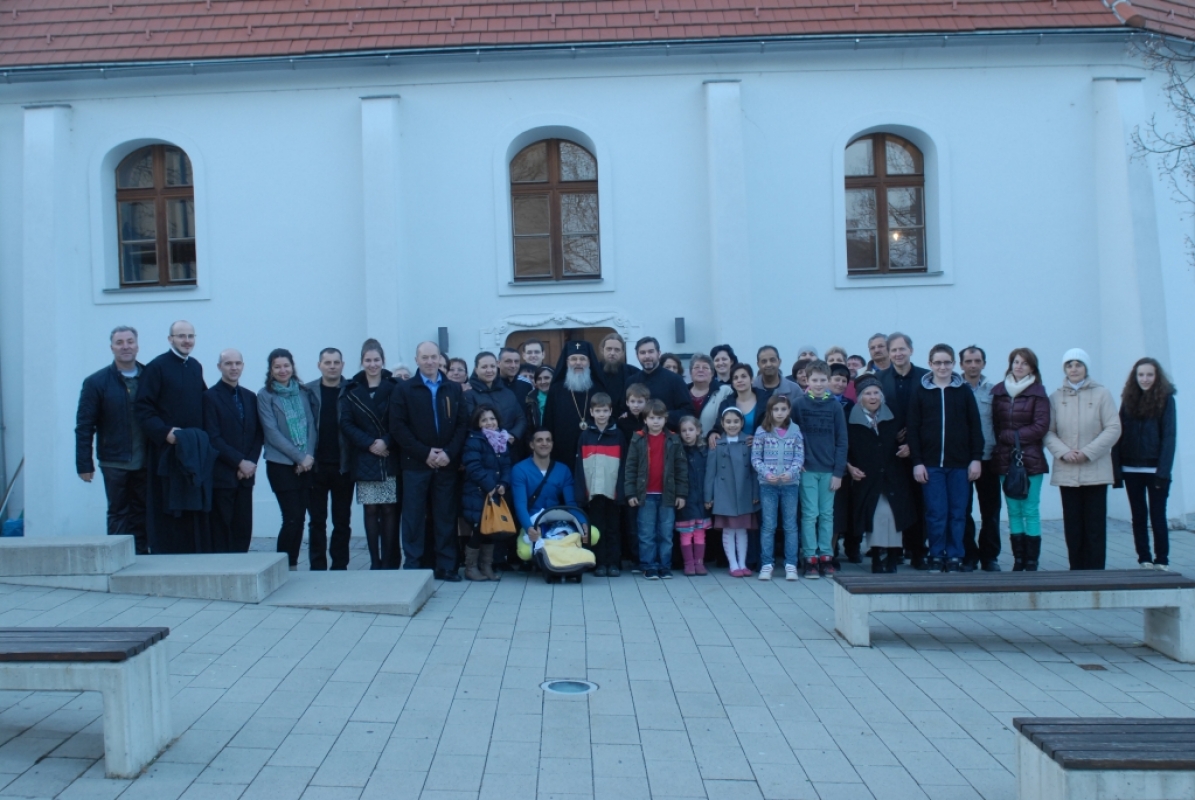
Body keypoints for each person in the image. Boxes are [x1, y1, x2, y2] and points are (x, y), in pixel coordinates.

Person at [391, 341, 468, 581]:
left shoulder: (453, 388)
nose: (430, 361)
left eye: (433, 357)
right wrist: (425, 453)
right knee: (413, 517)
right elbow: (398, 427)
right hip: (415, 465)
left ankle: (446, 566)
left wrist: (448, 453)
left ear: (440, 359)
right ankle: (413, 565)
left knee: (445, 516)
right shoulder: (404, 389)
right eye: (424, 357)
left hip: (446, 464)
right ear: (417, 360)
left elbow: (462, 424)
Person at [134, 320, 209, 554]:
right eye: (181, 336)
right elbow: (143, 408)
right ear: (170, 339)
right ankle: (166, 555)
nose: (187, 341)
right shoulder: (156, 367)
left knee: (191, 505)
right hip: (166, 452)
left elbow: (204, 402)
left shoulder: (195, 366)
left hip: (192, 450)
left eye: (190, 336)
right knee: (167, 506)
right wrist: (165, 433)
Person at [907, 344, 984, 572]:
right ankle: (936, 553)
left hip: (960, 465)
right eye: (938, 363)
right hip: (931, 465)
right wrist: (917, 462)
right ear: (930, 364)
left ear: (953, 364)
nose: (943, 367)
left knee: (958, 513)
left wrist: (976, 458)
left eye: (947, 362)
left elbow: (975, 427)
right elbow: (913, 429)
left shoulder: (964, 392)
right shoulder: (920, 392)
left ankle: (955, 555)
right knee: (936, 512)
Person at [1044, 349, 1121, 570]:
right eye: (1069, 365)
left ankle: (1096, 573)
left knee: (1095, 526)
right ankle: (1076, 571)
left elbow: (1113, 428)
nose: (1074, 369)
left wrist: (1088, 452)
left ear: (1086, 367)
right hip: (1067, 471)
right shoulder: (1055, 397)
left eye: (1078, 364)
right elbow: (1048, 431)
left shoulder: (1102, 394)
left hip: (1095, 470)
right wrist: (1063, 452)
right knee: (1073, 526)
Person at [76, 326, 149, 554]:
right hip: (114, 461)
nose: (125, 346)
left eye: (130, 341)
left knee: (143, 511)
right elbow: (84, 426)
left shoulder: (150, 377)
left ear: (137, 345)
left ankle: (143, 557)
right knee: (118, 512)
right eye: (120, 342)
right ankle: (118, 558)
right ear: (112, 348)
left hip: (146, 459)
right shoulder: (96, 382)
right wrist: (84, 463)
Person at [340, 340, 401, 570]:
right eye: (368, 360)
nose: (372, 364)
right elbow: (346, 423)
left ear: (383, 361)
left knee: (389, 509)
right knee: (371, 509)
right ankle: (375, 561)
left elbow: (400, 420)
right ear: (362, 362)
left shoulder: (394, 387)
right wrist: (370, 443)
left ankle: (388, 561)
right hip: (365, 455)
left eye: (376, 360)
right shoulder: (351, 389)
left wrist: (386, 440)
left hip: (389, 454)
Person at [991, 348, 1051, 571]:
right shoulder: (999, 392)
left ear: (1032, 368)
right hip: (1005, 460)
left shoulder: (1038, 393)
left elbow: (1040, 426)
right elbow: (994, 424)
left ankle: (1032, 561)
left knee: (1031, 510)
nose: (1019, 366)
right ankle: (1018, 560)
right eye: (1016, 362)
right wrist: (1005, 438)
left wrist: (1012, 436)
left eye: (1024, 363)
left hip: (1031, 460)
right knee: (1013, 510)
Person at [257, 349, 318, 570]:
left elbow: (311, 425)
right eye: (277, 366)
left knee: (301, 518)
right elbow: (272, 433)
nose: (282, 370)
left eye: (286, 365)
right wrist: (300, 457)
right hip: (280, 465)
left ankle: (292, 565)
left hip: (306, 464)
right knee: (291, 518)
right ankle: (281, 566)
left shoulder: (303, 392)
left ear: (292, 367)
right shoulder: (265, 395)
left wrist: (307, 457)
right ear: (271, 370)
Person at [1114, 357, 1177, 570]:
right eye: (1141, 374)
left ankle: (1162, 560)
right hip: (1130, 468)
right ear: (1135, 376)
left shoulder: (1166, 400)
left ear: (1157, 376)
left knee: (1158, 515)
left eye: (1149, 374)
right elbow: (1118, 433)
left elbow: (1169, 437)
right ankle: (1144, 558)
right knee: (1138, 516)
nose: (1145, 379)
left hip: (1155, 469)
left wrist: (1163, 471)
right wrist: (1117, 470)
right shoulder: (1128, 399)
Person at [847, 375, 913, 573]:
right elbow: (843, 447)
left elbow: (909, 436)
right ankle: (876, 557)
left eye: (876, 393)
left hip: (893, 476)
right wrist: (848, 467)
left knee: (892, 515)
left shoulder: (894, 415)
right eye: (868, 393)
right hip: (867, 478)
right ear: (860, 397)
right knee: (875, 516)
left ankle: (892, 557)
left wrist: (907, 447)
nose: (873, 397)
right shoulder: (850, 418)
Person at [202, 348, 263, 554]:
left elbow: (257, 434)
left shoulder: (250, 396)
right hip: (223, 475)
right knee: (221, 530)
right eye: (228, 363)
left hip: (246, 476)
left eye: (237, 363)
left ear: (243, 366)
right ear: (219, 367)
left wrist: (250, 463)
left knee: (243, 528)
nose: (234, 367)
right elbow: (213, 437)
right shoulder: (209, 397)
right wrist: (239, 462)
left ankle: (243, 565)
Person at [878, 332, 930, 569]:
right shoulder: (879, 379)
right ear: (888, 353)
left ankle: (918, 550)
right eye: (894, 350)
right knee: (894, 502)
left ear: (911, 350)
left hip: (919, 450)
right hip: (890, 452)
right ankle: (894, 550)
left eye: (902, 349)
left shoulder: (925, 378)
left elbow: (931, 415)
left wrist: (912, 442)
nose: (898, 353)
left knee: (919, 502)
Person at [795, 361, 848, 578]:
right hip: (806, 469)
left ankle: (826, 555)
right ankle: (810, 557)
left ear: (828, 381)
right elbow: (792, 436)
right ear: (807, 380)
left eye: (822, 380)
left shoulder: (835, 406)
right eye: (814, 380)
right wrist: (797, 461)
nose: (818, 384)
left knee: (827, 514)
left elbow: (842, 441)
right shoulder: (799, 405)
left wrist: (838, 472)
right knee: (810, 514)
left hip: (829, 470)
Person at [624, 400, 688, 579]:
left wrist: (681, 494)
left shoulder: (673, 439)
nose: (655, 421)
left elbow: (681, 468)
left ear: (665, 419)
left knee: (666, 533)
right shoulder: (638, 439)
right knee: (646, 533)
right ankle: (649, 566)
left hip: (667, 495)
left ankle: (664, 565)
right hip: (645, 495)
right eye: (652, 418)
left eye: (659, 418)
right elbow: (630, 468)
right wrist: (630, 493)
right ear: (645, 420)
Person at [305, 348, 353, 571]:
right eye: (327, 362)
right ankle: (317, 566)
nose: (332, 366)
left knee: (342, 521)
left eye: (336, 362)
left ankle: (340, 565)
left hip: (344, 466)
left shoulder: (351, 390)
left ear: (342, 365)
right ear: (319, 365)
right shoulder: (308, 391)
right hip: (316, 467)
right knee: (317, 521)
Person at [512, 429, 581, 579]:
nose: (544, 443)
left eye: (548, 440)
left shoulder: (563, 469)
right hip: (532, 521)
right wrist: (529, 528)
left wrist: (583, 523)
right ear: (532, 445)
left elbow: (571, 503)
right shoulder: (519, 469)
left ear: (552, 444)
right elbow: (520, 504)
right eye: (539, 440)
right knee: (525, 552)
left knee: (593, 534)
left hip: (556, 520)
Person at [751, 395, 805, 581]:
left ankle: (791, 564)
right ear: (770, 411)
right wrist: (766, 473)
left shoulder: (795, 432)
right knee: (768, 525)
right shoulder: (762, 432)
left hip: (790, 485)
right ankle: (767, 564)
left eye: (783, 409)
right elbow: (756, 458)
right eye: (776, 409)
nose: (780, 413)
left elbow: (799, 457)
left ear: (789, 411)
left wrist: (791, 472)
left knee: (790, 525)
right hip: (768, 486)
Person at [460, 406, 515, 581]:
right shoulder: (474, 440)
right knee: (478, 529)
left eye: (492, 419)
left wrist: (503, 483)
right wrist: (490, 485)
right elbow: (473, 467)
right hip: (476, 493)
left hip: (495, 493)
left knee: (491, 530)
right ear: (477, 423)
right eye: (484, 420)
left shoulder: (501, 439)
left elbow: (506, 465)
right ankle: (470, 568)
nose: (489, 423)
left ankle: (486, 566)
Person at [959, 346, 1001, 572]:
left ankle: (990, 556)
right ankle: (968, 555)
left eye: (977, 361)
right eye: (968, 361)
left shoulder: (994, 391)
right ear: (961, 364)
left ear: (984, 363)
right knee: (963, 511)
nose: (973, 365)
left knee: (991, 511)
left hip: (988, 458)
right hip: (962, 459)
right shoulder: (955, 389)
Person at [575, 392, 625, 577]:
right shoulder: (585, 436)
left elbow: (624, 464)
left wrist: (621, 490)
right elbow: (580, 465)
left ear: (611, 411)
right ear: (591, 412)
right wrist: (581, 491)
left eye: (605, 410)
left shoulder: (618, 435)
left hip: (612, 490)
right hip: (593, 490)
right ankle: (600, 563)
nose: (601, 414)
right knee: (596, 527)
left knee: (613, 527)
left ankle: (614, 563)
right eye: (598, 411)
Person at [705, 408, 759, 577]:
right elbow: (710, 473)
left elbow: (754, 471)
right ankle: (733, 564)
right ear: (722, 424)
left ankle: (742, 563)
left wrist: (755, 493)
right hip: (724, 494)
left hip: (744, 492)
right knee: (728, 530)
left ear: (742, 423)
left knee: (742, 529)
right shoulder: (717, 444)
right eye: (728, 422)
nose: (732, 425)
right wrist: (708, 496)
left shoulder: (749, 442)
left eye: (736, 421)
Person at [543, 340, 609, 466]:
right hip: (562, 450)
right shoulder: (556, 389)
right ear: (567, 362)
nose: (578, 362)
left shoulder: (598, 388)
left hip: (594, 448)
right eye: (573, 359)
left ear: (589, 362)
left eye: (582, 359)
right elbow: (548, 421)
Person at [464, 352, 527, 445]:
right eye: (484, 367)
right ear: (476, 370)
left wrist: (513, 435)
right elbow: (471, 424)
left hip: (510, 446)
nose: (489, 370)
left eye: (492, 366)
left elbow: (521, 418)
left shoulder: (507, 392)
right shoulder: (469, 394)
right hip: (484, 447)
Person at [676, 416, 710, 576]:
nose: (687, 433)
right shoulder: (678, 451)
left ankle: (699, 563)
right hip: (685, 500)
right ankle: (689, 564)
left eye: (691, 429)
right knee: (686, 533)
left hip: (701, 499)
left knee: (700, 532)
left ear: (698, 431)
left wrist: (709, 497)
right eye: (684, 430)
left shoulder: (705, 451)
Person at [633, 337, 694, 426]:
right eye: (642, 352)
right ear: (637, 356)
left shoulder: (675, 380)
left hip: (668, 433)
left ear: (659, 353)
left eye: (651, 351)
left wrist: (661, 416)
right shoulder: (632, 381)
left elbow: (688, 411)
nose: (647, 356)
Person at [714, 363, 767, 441]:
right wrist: (713, 433)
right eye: (735, 378)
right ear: (732, 383)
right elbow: (718, 426)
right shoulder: (726, 404)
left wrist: (758, 439)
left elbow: (773, 427)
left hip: (760, 446)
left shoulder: (765, 401)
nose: (739, 380)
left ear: (752, 380)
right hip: (733, 447)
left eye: (743, 376)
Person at [687, 353, 733, 439]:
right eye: (696, 367)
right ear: (690, 372)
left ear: (712, 373)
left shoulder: (724, 391)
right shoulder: (683, 391)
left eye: (705, 367)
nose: (700, 370)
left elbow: (727, 417)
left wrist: (715, 431)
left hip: (713, 442)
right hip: (685, 444)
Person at [598, 332, 641, 417]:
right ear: (602, 350)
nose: (612, 353)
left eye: (617, 350)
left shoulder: (634, 373)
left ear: (622, 352)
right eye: (609, 349)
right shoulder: (592, 371)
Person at [525, 365, 553, 435]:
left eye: (546, 378)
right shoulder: (530, 399)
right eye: (539, 379)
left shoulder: (561, 397)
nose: (543, 382)